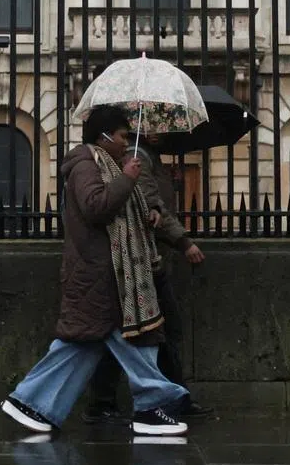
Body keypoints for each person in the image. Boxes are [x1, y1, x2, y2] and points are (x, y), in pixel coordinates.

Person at [1, 105, 191, 436]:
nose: (125, 142)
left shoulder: (112, 166)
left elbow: (127, 209)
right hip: (100, 274)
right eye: (121, 136)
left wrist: (152, 215)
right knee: (122, 340)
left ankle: (32, 403)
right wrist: (128, 179)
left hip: (116, 274)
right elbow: (96, 207)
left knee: (89, 343)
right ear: (103, 136)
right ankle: (152, 403)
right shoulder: (85, 166)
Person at [83, 133, 213, 424]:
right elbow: (145, 204)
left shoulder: (146, 155)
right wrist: (184, 242)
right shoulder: (136, 153)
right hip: (141, 260)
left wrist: (165, 183)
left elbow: (151, 201)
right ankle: (167, 398)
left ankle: (111, 401)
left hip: (143, 257)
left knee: (131, 332)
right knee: (153, 332)